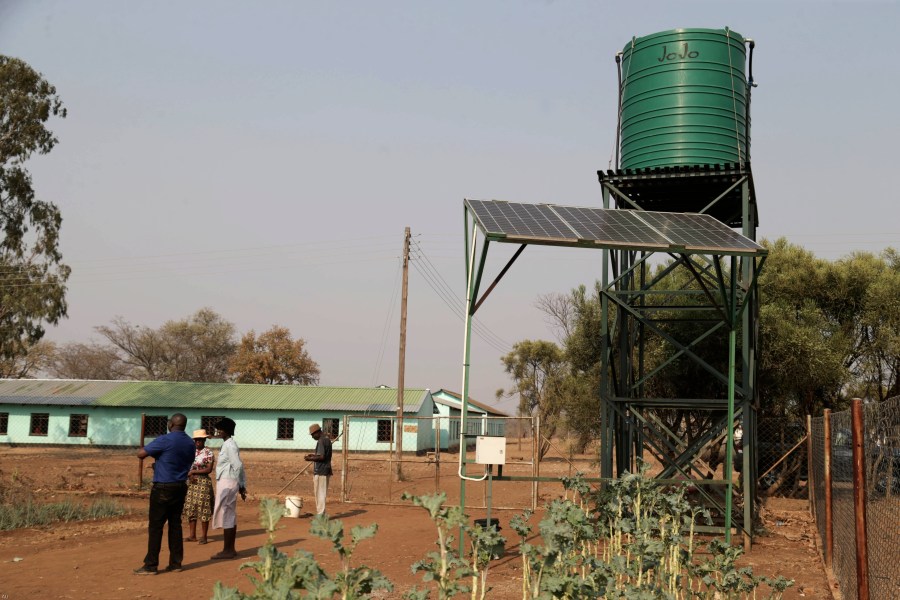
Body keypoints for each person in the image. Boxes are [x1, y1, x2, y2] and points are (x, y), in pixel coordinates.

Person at [134, 413, 195, 575]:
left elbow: (141, 454)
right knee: (175, 525)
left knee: (156, 526)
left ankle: (151, 565)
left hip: (162, 487)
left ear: (171, 424)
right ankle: (176, 563)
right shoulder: (190, 442)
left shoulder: (165, 439)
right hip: (180, 486)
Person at [210, 417, 246, 559]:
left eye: (221, 429)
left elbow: (238, 465)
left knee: (227, 513)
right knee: (228, 513)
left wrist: (242, 485)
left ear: (227, 431)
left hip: (228, 481)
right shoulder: (226, 444)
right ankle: (229, 548)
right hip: (227, 480)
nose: (218, 431)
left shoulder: (230, 445)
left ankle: (228, 550)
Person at [183, 428, 215, 545]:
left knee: (203, 508)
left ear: (204, 440)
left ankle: (204, 536)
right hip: (191, 482)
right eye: (196, 440)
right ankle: (192, 535)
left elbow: (209, 469)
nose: (198, 442)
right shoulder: (190, 451)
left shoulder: (208, 453)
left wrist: (193, 472)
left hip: (203, 483)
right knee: (191, 507)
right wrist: (189, 474)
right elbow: (186, 465)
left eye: (200, 440)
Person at [304, 423, 333, 516]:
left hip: (321, 471)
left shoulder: (321, 441)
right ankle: (322, 514)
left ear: (317, 432)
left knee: (320, 493)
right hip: (325, 470)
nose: (312, 437)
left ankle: (321, 515)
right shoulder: (326, 439)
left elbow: (321, 457)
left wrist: (310, 459)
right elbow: (322, 455)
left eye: (313, 435)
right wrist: (313, 455)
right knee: (321, 493)